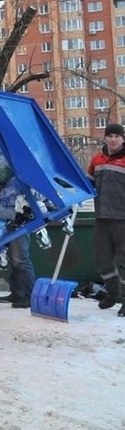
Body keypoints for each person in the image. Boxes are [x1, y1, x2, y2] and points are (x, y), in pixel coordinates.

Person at [87, 122, 125, 316]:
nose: (112, 139)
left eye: (116, 136)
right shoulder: (97, 161)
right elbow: (88, 184)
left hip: (122, 219)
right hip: (102, 217)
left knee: (124, 261)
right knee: (102, 260)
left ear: (122, 138)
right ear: (105, 138)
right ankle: (113, 294)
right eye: (109, 136)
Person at [0, 233, 36, 308]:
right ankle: (17, 294)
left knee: (21, 260)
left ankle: (28, 297)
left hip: (20, 226)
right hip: (13, 227)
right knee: (15, 261)